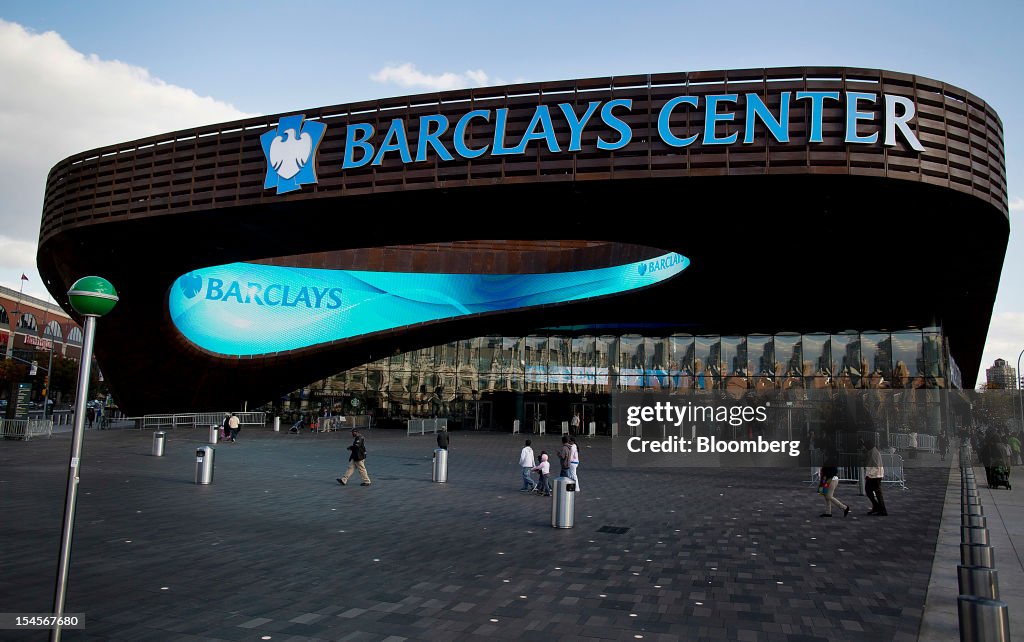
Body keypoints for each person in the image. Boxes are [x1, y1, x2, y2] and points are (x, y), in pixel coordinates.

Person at [818, 439, 849, 518]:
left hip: (830, 479)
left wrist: (822, 482)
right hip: (831, 479)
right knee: (826, 496)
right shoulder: (832, 460)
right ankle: (828, 512)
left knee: (828, 496)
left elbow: (826, 472)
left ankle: (844, 507)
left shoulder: (829, 461)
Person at [863, 440, 887, 516]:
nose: (864, 448)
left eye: (865, 446)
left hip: (875, 476)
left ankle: (881, 509)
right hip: (876, 475)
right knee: (872, 491)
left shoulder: (873, 453)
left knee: (874, 492)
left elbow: (875, 466)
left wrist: (869, 475)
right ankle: (878, 507)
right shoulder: (873, 451)